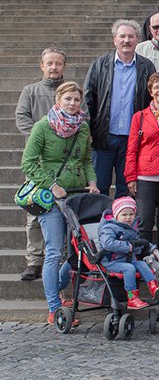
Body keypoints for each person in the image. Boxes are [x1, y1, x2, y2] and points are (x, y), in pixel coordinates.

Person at [20, 81, 99, 324]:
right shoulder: (43, 127)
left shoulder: (82, 127)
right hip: (51, 200)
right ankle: (54, 307)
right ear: (58, 100)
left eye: (77, 100)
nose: (73, 104)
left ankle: (58, 289)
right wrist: (51, 185)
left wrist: (92, 181)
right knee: (54, 251)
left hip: (76, 197)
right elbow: (28, 163)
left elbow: (86, 160)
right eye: (68, 99)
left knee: (79, 250)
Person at [84, 19, 156, 197]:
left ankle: (123, 217)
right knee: (99, 188)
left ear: (137, 39)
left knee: (127, 190)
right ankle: (100, 217)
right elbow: (88, 99)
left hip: (133, 138)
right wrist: (89, 130)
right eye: (122, 36)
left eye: (131, 36)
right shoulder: (99, 65)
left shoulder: (147, 66)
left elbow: (152, 101)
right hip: (104, 136)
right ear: (114, 39)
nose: (126, 40)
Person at [16, 47, 66, 281]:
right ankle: (34, 260)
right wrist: (43, 136)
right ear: (42, 65)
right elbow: (21, 117)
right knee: (34, 212)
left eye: (58, 63)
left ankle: (63, 257)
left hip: (63, 162)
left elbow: (83, 117)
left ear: (64, 66)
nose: (54, 67)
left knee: (63, 211)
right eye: (50, 63)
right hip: (37, 161)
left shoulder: (70, 91)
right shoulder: (30, 91)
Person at [124, 73, 159, 280]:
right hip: (145, 176)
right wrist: (130, 176)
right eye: (156, 87)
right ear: (150, 91)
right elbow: (131, 149)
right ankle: (145, 262)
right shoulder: (140, 117)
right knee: (144, 222)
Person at [98, 197, 159, 310]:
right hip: (112, 262)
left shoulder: (131, 228)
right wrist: (127, 247)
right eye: (124, 214)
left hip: (128, 260)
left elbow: (139, 242)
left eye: (131, 214)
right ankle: (131, 298)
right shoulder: (109, 228)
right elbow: (107, 243)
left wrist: (151, 248)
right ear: (116, 215)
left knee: (142, 264)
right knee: (129, 268)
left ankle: (154, 287)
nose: (128, 217)